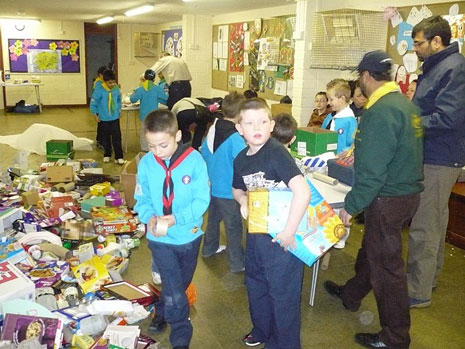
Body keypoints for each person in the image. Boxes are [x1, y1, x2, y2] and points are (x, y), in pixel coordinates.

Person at [324, 50, 424, 349]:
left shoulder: (379, 112)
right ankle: (352, 294)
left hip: (388, 198)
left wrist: (351, 208)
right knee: (373, 249)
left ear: (366, 77)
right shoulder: (405, 106)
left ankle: (395, 338)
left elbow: (372, 172)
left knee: (387, 271)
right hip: (407, 193)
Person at [232, 98, 311, 348]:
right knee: (256, 285)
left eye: (263, 122)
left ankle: (283, 344)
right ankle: (262, 330)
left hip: (282, 240)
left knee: (283, 296)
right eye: (250, 123)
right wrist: (243, 199)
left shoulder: (276, 152)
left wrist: (289, 232)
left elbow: (303, 192)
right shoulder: (241, 158)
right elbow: (236, 188)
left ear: (271, 125)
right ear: (239, 128)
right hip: (257, 236)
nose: (257, 128)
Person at [134, 110, 210, 349]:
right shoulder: (146, 163)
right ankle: (181, 338)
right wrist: (150, 218)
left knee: (178, 284)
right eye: (151, 146)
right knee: (176, 289)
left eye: (163, 145)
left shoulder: (194, 160)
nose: (157, 151)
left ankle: (161, 311)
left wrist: (178, 218)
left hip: (188, 236)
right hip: (160, 238)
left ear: (178, 135)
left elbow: (202, 200)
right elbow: (141, 198)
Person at [407, 15, 465, 308]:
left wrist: (408, 122)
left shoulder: (454, 68)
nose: (414, 48)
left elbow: (447, 118)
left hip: (439, 158)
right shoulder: (438, 66)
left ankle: (416, 291)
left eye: (418, 43)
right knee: (435, 223)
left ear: (436, 41)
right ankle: (428, 280)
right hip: (433, 154)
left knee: (424, 225)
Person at [201, 92, 246, 273]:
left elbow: (204, 152)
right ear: (240, 114)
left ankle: (208, 249)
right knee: (233, 228)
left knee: (212, 221)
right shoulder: (235, 137)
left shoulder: (212, 129)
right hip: (229, 191)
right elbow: (243, 161)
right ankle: (237, 263)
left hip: (212, 187)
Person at [90, 69, 124, 164]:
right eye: (110, 83)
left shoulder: (116, 89)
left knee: (117, 138)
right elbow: (93, 103)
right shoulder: (99, 90)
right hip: (103, 118)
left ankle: (119, 156)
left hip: (114, 118)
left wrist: (119, 109)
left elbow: (118, 99)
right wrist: (95, 114)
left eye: (114, 82)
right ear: (105, 81)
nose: (112, 84)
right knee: (105, 138)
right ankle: (107, 154)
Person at [130, 69, 168, 151]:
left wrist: (134, 93)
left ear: (144, 78)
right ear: (154, 79)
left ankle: (145, 149)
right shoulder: (157, 88)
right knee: (154, 131)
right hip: (154, 115)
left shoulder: (140, 89)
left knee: (144, 132)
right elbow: (166, 98)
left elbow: (132, 99)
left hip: (144, 115)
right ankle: (154, 148)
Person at [321, 79, 357, 154]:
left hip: (339, 160)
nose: (328, 103)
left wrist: (344, 153)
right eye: (328, 99)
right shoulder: (329, 117)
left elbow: (352, 144)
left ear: (342, 99)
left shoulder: (350, 121)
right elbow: (321, 134)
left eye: (331, 99)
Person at [93, 66, 107, 150]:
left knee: (103, 126)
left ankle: (102, 141)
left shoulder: (103, 82)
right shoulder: (98, 83)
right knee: (101, 126)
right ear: (100, 75)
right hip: (100, 108)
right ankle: (100, 141)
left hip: (104, 108)